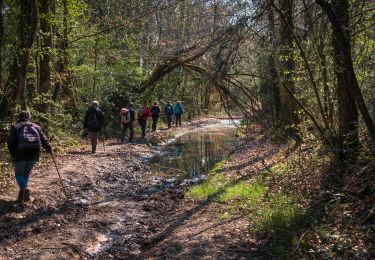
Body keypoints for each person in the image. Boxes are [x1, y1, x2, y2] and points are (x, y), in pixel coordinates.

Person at [7, 111, 52, 203]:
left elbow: (10, 142)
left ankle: (23, 187)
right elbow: (44, 139)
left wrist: (13, 153)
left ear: (19, 117)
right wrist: (49, 149)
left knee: (19, 174)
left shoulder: (15, 127)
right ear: (29, 117)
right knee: (26, 173)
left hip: (20, 152)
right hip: (34, 152)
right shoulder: (36, 126)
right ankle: (24, 192)